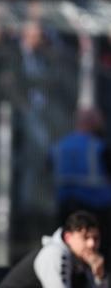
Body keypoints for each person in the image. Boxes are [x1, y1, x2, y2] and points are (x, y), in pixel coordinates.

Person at [51, 108, 111, 259]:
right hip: (97, 210)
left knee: (67, 252)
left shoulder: (59, 147)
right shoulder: (99, 147)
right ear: (93, 123)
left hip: (65, 208)